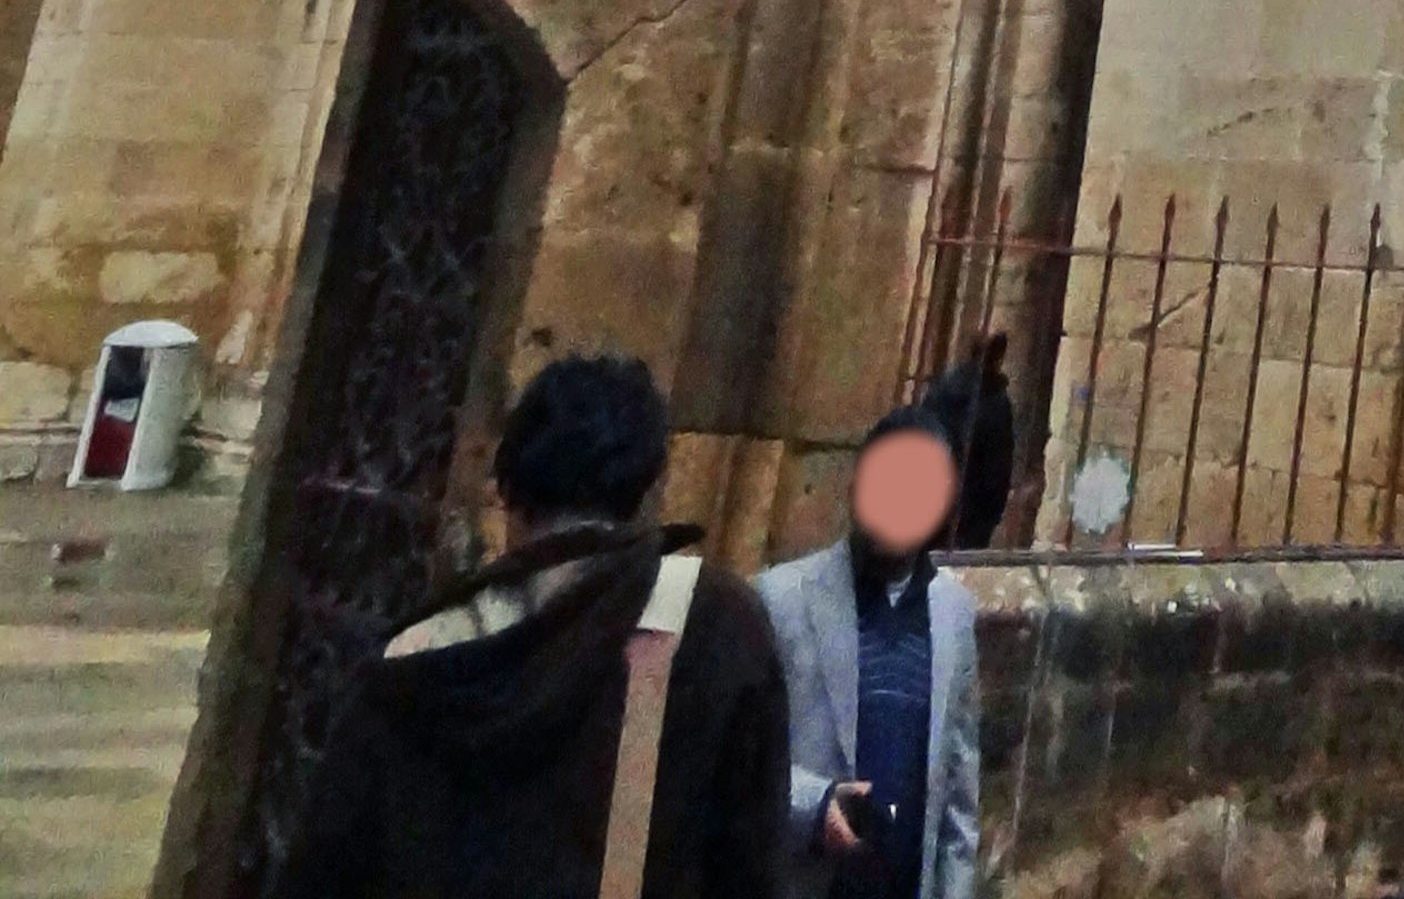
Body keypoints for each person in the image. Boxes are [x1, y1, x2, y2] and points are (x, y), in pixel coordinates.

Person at [270, 348, 785, 899]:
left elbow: (325, 870)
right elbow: (749, 863)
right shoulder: (715, 624)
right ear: (644, 482)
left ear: (508, 484)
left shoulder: (415, 655)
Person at [755, 404, 980, 898]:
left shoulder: (954, 615)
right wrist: (814, 807)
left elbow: (959, 805)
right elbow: (741, 762)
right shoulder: (780, 599)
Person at [917, 330, 1016, 551]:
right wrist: (992, 515)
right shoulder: (996, 403)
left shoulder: (940, 388)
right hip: (970, 514)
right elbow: (997, 469)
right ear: (999, 357)